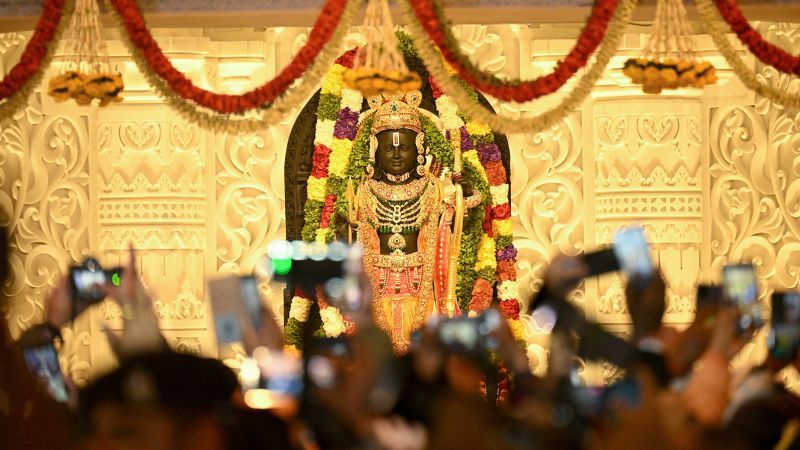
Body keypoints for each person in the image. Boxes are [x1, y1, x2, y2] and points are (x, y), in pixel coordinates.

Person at [347, 90, 481, 353]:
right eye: (389, 147)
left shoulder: (436, 189)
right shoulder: (360, 192)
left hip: (424, 291)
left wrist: (465, 193)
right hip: (376, 292)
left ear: (419, 147)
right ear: (375, 150)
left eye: (404, 147)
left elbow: (466, 211)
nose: (396, 155)